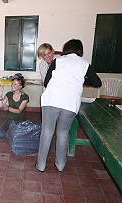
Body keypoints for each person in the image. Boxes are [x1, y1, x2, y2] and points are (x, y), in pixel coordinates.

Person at [36, 39, 102, 172]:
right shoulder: (84, 64)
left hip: (51, 100)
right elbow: (97, 82)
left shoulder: (58, 61)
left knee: (47, 133)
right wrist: (79, 79)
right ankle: (60, 165)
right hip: (70, 103)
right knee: (63, 133)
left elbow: (46, 82)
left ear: (66, 49)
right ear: (80, 50)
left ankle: (41, 165)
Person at [0, 73, 29, 139]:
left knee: (12, 132)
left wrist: (7, 107)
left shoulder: (25, 97)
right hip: (10, 119)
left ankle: (13, 133)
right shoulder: (9, 94)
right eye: (12, 83)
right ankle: (13, 133)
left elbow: (19, 111)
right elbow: (0, 105)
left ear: (20, 86)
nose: (12, 85)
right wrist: (0, 93)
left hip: (19, 120)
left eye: (15, 84)